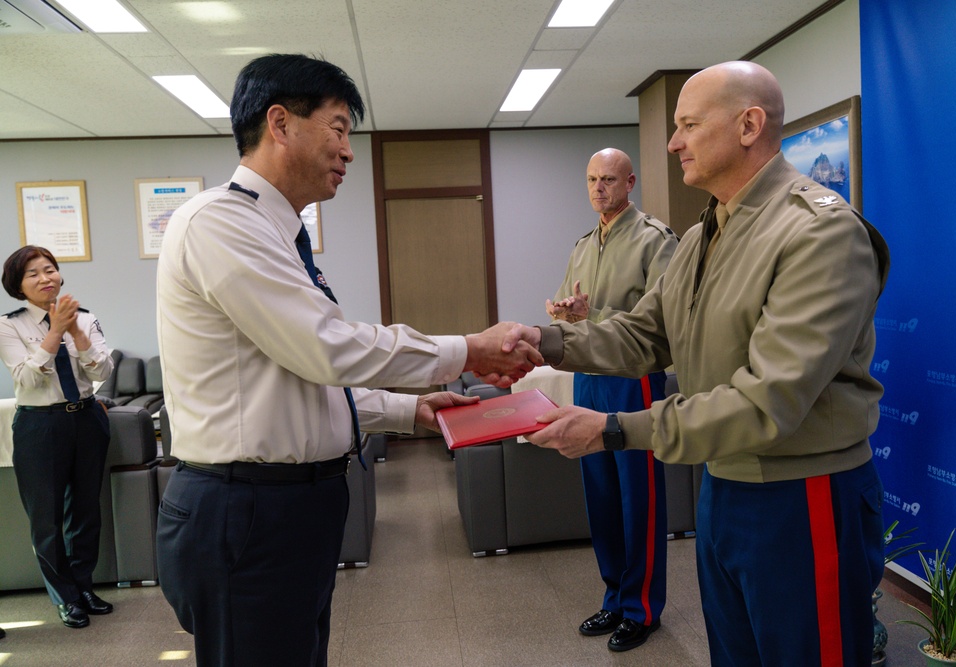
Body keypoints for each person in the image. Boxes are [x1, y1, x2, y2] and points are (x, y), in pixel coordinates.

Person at [492, 61, 891, 666]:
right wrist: (543, 341)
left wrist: (615, 430)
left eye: (688, 125)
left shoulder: (818, 233)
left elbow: (767, 402)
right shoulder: (708, 233)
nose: (673, 142)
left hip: (801, 494)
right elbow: (646, 334)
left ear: (750, 125)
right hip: (723, 485)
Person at [155, 53, 540, 667]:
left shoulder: (279, 235)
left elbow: (299, 373)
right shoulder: (220, 224)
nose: (349, 152)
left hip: (289, 505)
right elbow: (324, 345)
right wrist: (467, 349)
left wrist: (409, 412)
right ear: (280, 124)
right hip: (246, 508)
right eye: (337, 129)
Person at [547, 148, 677, 652]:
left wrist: (592, 313)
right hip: (588, 376)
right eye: (591, 179)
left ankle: (643, 607)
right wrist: (565, 311)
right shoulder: (583, 244)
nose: (598, 188)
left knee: (636, 496)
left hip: (633, 379)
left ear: (630, 182)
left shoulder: (654, 239)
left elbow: (658, 317)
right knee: (599, 494)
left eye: (608, 179)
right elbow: (568, 310)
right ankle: (615, 595)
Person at [0, 245, 116, 629]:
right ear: (18, 285)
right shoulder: (8, 324)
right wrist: (55, 332)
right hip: (39, 426)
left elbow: (101, 372)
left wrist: (77, 333)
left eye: (49, 269)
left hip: (85, 419)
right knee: (46, 518)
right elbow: (27, 378)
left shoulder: (85, 317)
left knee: (85, 512)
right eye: (33, 273)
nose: (45, 277)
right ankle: (64, 598)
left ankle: (83, 587)